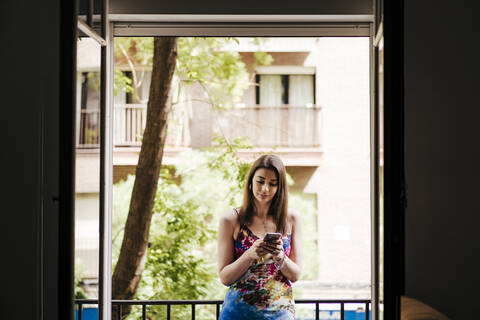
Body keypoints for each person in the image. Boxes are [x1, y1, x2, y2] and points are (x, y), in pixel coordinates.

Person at [217, 154, 303, 320]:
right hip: (237, 314)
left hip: (280, 315)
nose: (265, 188)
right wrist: (250, 255)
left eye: (272, 184)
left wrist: (279, 256)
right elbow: (225, 277)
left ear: (280, 188)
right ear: (250, 182)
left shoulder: (291, 219)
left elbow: (296, 275)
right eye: (260, 181)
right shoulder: (230, 220)